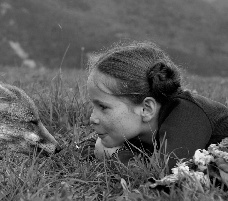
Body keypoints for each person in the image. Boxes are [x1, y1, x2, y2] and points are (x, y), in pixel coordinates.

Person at [80, 41, 228, 171]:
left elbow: (164, 171)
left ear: (146, 109)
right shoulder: (133, 127)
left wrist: (114, 155)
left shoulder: (187, 115)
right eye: (94, 106)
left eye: (103, 107)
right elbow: (88, 146)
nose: (93, 119)